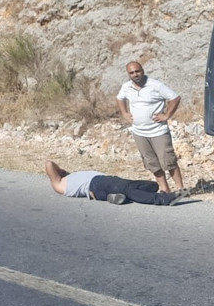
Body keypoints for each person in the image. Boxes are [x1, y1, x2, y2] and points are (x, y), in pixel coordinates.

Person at [116, 61, 185, 193]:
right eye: (132, 72)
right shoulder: (126, 87)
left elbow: (175, 98)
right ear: (128, 74)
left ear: (142, 70)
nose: (135, 74)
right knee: (151, 162)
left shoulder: (155, 85)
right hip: (139, 132)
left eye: (137, 71)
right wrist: (124, 113)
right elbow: (120, 98)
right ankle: (165, 189)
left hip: (158, 131)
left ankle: (180, 189)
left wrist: (166, 115)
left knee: (168, 160)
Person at [45, 161, 189, 206]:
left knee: (151, 186)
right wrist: (62, 171)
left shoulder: (71, 178)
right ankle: (163, 199)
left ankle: (116, 196)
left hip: (103, 184)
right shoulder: (60, 185)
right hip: (96, 184)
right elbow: (49, 164)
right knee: (127, 188)